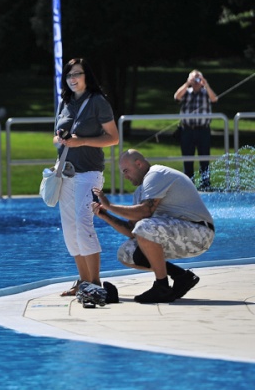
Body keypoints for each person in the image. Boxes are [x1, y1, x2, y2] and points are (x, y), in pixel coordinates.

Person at [92, 149, 215, 304]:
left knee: (145, 226)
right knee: (127, 253)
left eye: (126, 170)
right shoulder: (139, 192)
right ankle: (181, 276)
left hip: (200, 233)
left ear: (139, 164)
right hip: (181, 235)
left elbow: (145, 212)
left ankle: (161, 286)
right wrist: (105, 215)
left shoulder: (156, 174)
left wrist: (109, 206)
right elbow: (133, 232)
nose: (125, 176)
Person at [54, 58, 119, 297]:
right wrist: (61, 138)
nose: (72, 79)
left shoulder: (98, 102)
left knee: (83, 222)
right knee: (70, 228)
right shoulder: (65, 101)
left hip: (89, 172)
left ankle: (95, 282)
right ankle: (82, 281)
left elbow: (113, 138)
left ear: (86, 76)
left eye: (77, 74)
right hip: (66, 174)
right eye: (69, 75)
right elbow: (55, 137)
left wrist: (81, 140)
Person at [173, 70, 218, 190]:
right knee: (188, 160)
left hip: (203, 130)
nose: (196, 82)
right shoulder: (186, 92)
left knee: (204, 159)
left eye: (198, 79)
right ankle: (189, 186)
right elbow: (176, 97)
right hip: (187, 130)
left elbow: (214, 99)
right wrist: (187, 84)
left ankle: (205, 185)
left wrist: (206, 84)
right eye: (194, 79)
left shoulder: (205, 92)